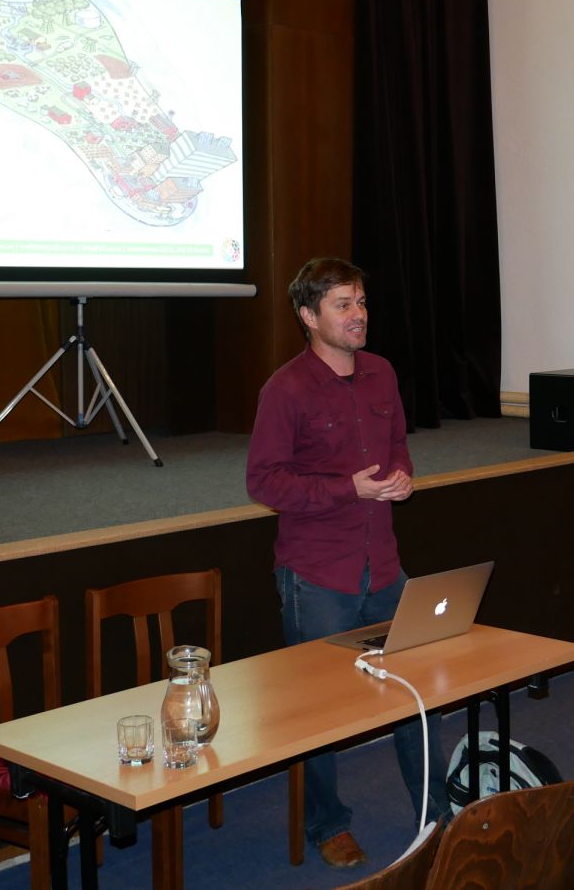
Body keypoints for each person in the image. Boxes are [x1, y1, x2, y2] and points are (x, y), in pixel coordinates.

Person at [245, 257, 446, 869]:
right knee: (319, 711)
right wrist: (346, 489)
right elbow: (264, 481)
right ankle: (327, 824)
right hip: (317, 575)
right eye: (342, 305)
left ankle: (437, 816)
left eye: (360, 302)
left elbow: (397, 446)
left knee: (419, 695)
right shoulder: (285, 390)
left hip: (384, 567)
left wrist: (402, 476)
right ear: (309, 317)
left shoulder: (382, 373)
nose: (358, 315)